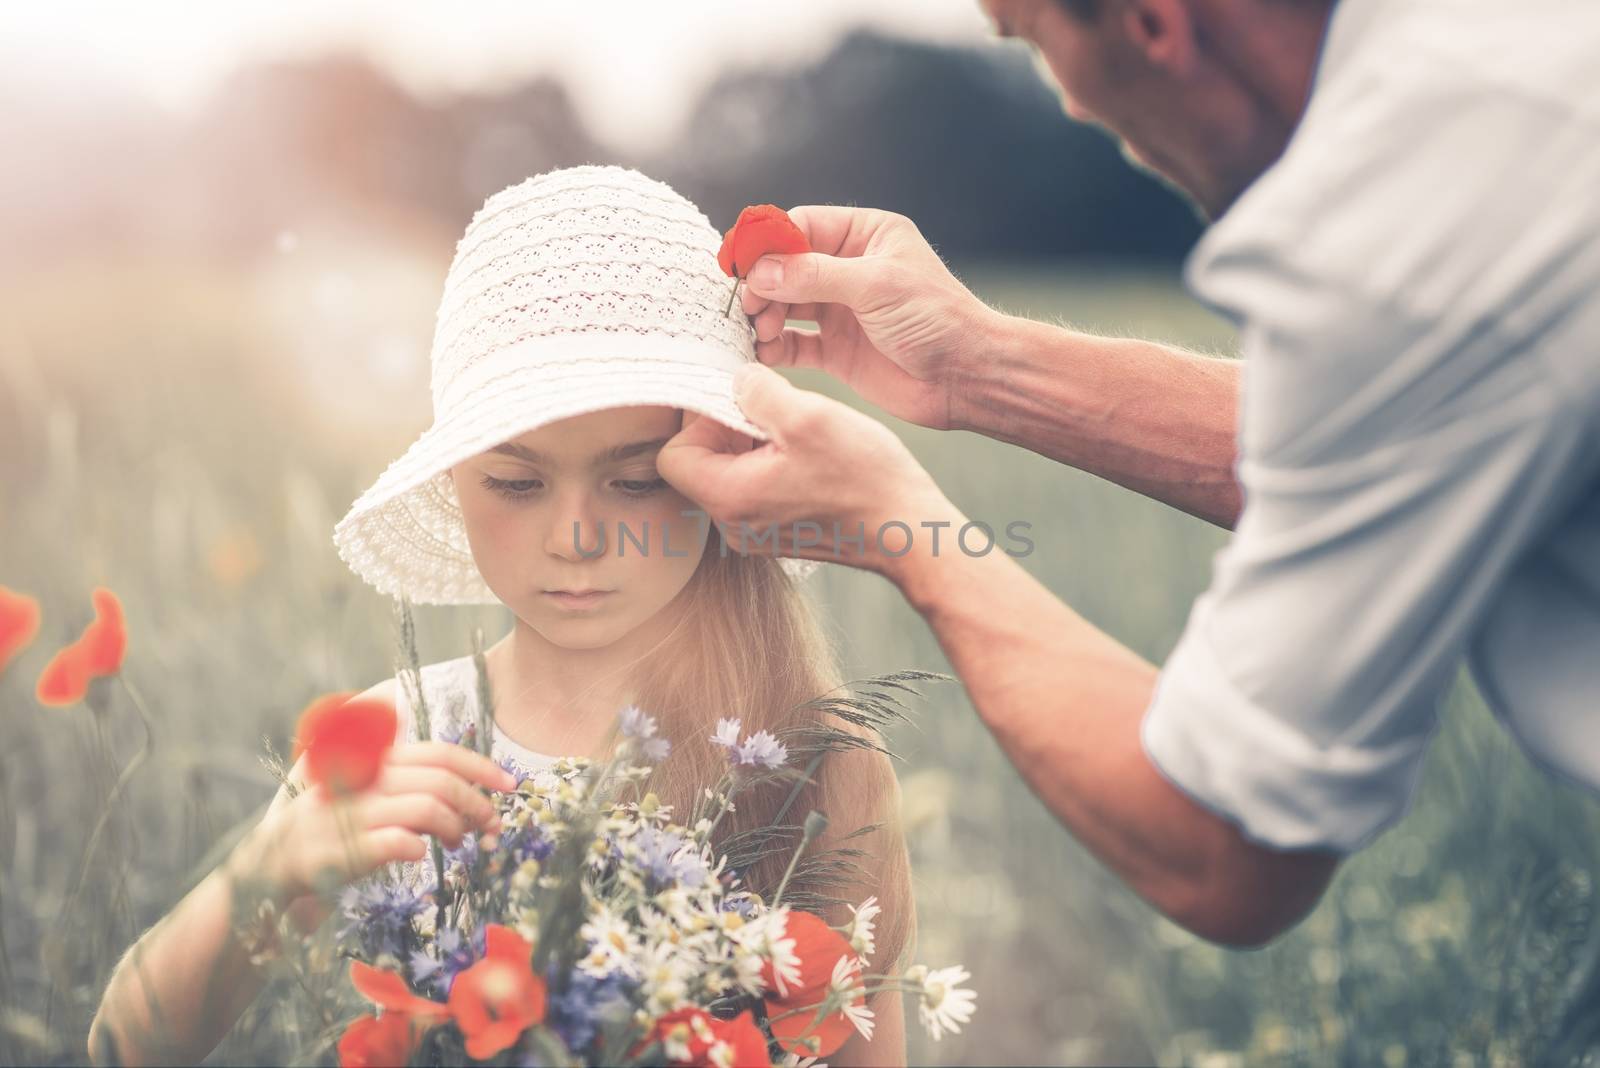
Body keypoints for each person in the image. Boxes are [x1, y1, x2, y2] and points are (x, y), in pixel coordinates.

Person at [657, 0, 1600, 949]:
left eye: (1034, 42)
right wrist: (973, 361)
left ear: (1153, 23)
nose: (1070, 106)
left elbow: (1222, 839)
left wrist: (899, 522)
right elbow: (1396, 437)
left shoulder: (1406, 217)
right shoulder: (1511, 70)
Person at [87, 165, 911, 1066]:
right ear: (455, 480)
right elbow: (123, 1045)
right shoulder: (401, 739)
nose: (575, 537)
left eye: (635, 480)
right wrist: (271, 869)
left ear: (721, 466)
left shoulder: (814, 764)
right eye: (516, 483)